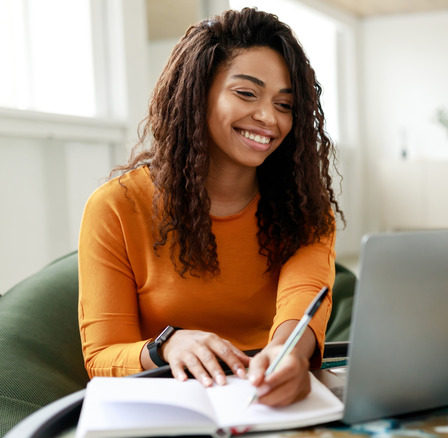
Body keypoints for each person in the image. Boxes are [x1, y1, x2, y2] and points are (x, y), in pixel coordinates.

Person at [78, 7, 343, 407]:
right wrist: (167, 345)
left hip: (269, 399)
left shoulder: (304, 206)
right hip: (166, 403)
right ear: (196, 92)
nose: (268, 117)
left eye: (285, 104)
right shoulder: (116, 207)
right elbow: (101, 356)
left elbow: (302, 296)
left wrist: (290, 353)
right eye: (246, 93)